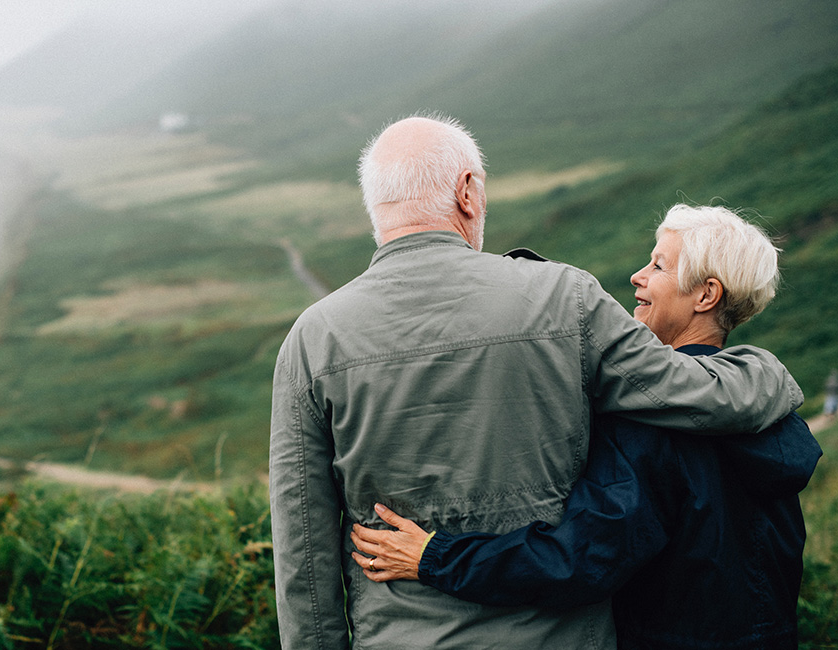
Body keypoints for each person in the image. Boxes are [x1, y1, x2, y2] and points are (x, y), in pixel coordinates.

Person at [269, 115, 804, 649]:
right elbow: (693, 392)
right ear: (467, 192)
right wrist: (769, 374)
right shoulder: (564, 299)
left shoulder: (311, 340)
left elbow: (303, 556)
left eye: (658, 265)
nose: (641, 276)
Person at [350, 204, 822, 649]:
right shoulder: (771, 414)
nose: (637, 276)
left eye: (659, 266)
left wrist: (434, 557)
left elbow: (579, 562)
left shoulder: (652, 424)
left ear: (706, 294)